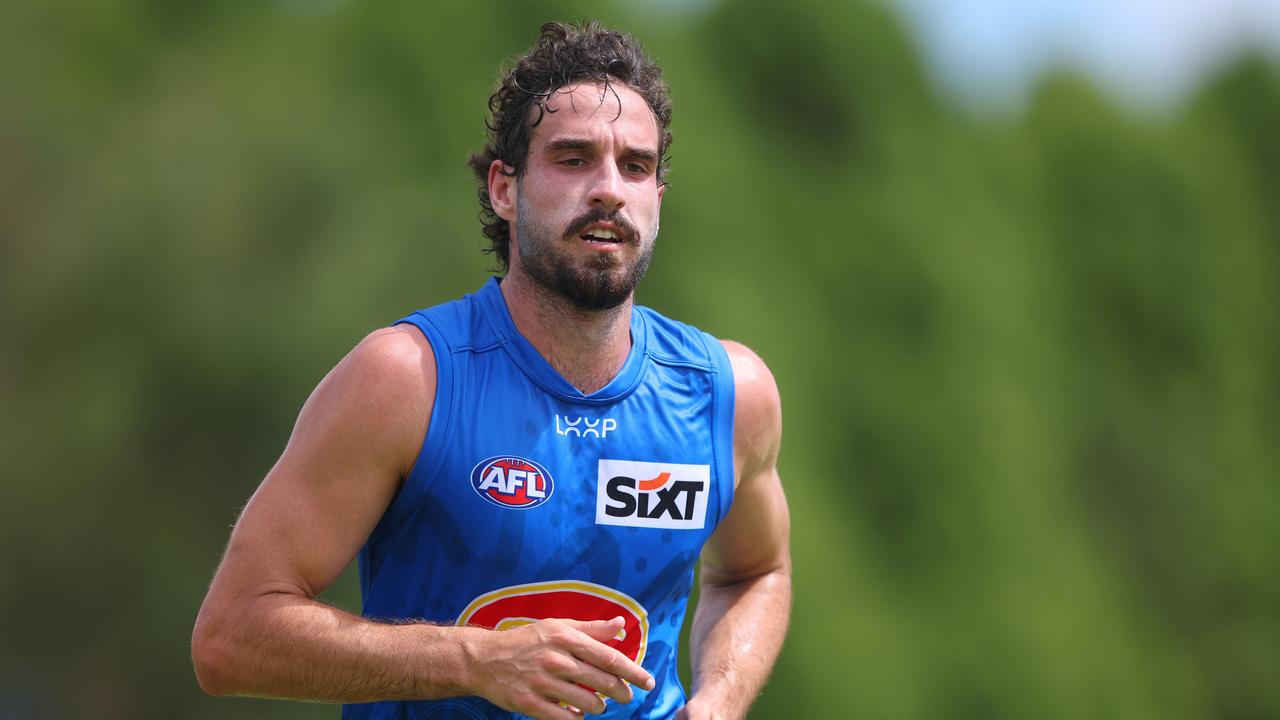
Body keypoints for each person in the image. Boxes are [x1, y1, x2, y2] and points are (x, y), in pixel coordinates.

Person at [192, 20, 790, 720]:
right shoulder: (407, 379)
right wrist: (473, 660)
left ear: (658, 194)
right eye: (573, 159)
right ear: (504, 189)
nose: (607, 190)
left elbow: (757, 572)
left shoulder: (727, 395)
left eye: (633, 166)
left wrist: (722, 697)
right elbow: (230, 636)